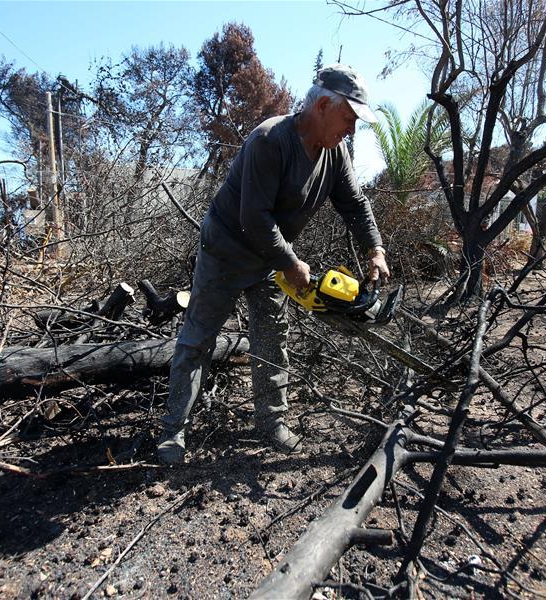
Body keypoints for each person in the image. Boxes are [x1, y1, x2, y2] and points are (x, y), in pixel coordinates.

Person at [157, 64, 391, 465]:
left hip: (271, 257)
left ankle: (272, 423)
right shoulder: (270, 140)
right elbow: (254, 218)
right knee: (198, 338)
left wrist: (375, 249)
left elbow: (354, 203)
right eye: (349, 118)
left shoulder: (336, 153)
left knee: (271, 338)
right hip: (227, 250)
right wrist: (291, 263)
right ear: (322, 105)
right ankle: (174, 431)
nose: (352, 130)